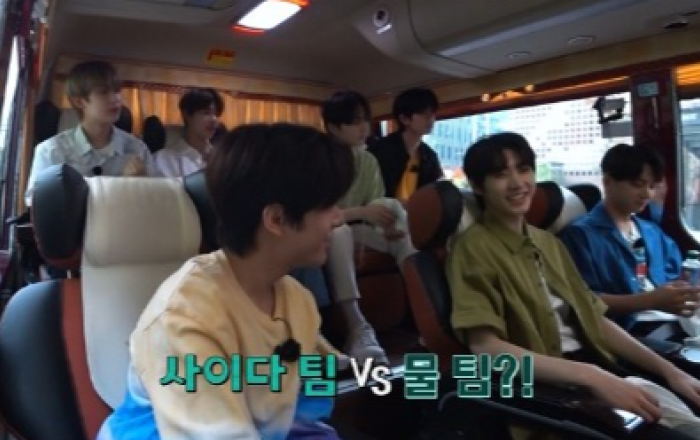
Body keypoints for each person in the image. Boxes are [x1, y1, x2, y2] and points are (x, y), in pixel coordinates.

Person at [96, 123, 354, 439]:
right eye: (328, 206)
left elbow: (305, 414)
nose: (339, 218)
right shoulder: (186, 315)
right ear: (276, 219)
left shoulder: (297, 300)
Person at [448, 132, 700, 440]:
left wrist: (671, 372)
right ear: (478, 187)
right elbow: (485, 348)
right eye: (501, 174)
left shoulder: (547, 243)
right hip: (552, 394)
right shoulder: (473, 249)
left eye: (523, 169)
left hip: (598, 369)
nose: (517, 183)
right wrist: (590, 376)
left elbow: (594, 318)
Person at [558, 144, 699, 331]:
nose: (647, 194)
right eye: (638, 184)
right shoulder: (580, 236)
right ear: (608, 182)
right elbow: (583, 300)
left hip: (675, 323)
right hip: (630, 330)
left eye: (651, 186)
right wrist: (650, 300)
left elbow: (676, 276)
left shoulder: (652, 231)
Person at [322, 90, 417, 365]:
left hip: (358, 229)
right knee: (339, 232)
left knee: (402, 231)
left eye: (365, 120)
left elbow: (376, 201)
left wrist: (388, 223)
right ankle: (357, 328)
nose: (364, 128)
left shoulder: (368, 160)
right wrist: (362, 212)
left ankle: (426, 316)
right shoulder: (319, 159)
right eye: (354, 122)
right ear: (332, 127)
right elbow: (320, 216)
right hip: (326, 231)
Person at [25, 60, 157, 207]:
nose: (115, 99)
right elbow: (36, 204)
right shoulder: (51, 151)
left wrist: (143, 184)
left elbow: (157, 203)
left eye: (117, 91)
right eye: (103, 92)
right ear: (79, 102)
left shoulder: (138, 149)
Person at [368, 87, 443, 203]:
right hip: (382, 211)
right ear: (404, 119)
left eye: (432, 113)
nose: (431, 119)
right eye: (424, 114)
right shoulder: (380, 150)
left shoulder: (429, 156)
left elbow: (434, 191)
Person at [154, 88, 224, 178]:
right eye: (206, 113)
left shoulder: (222, 159)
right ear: (187, 114)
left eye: (217, 114)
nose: (214, 119)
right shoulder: (164, 159)